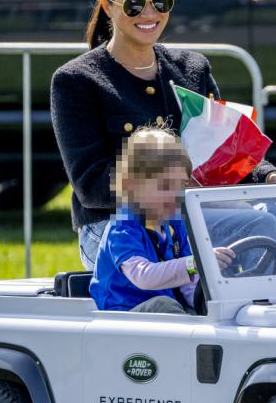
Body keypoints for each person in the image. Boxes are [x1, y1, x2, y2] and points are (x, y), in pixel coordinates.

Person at [50, 0, 276, 272]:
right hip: (119, 230)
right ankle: (275, 318)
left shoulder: (192, 68)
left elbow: (229, 150)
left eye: (160, 1)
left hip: (198, 209)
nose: (149, 13)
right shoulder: (77, 80)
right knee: (254, 224)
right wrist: (171, 187)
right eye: (134, 3)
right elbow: (90, 185)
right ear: (108, 7)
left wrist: (274, 179)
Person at [89, 127, 231, 313]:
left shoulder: (175, 224)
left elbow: (188, 286)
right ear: (131, 186)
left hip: (164, 315)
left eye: (180, 186)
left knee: (207, 307)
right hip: (122, 316)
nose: (175, 195)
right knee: (164, 305)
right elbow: (143, 276)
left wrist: (206, 302)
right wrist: (194, 263)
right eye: (165, 186)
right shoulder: (123, 228)